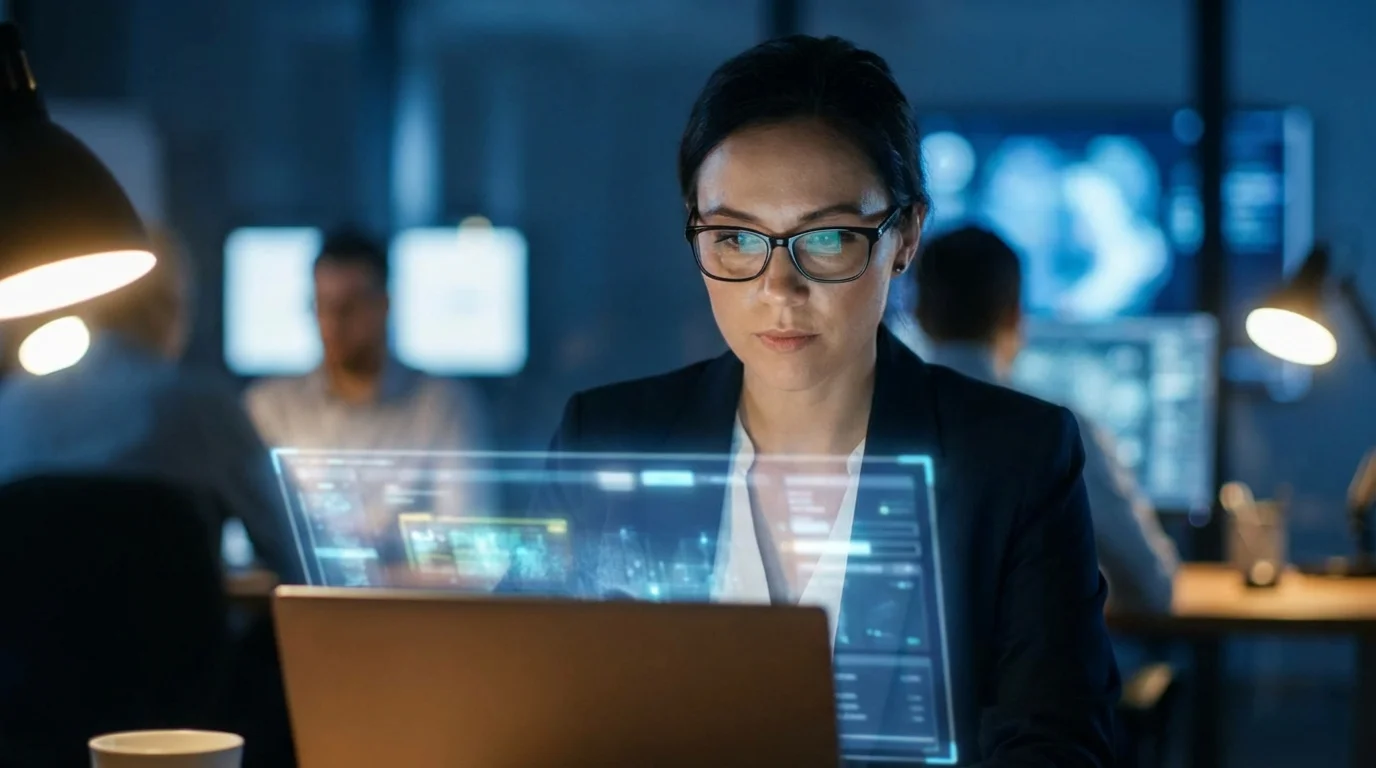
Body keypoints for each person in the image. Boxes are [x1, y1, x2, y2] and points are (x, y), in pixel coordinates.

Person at [535, 35, 1119, 767]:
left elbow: (1057, 743)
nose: (778, 289)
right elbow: (527, 699)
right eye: (736, 239)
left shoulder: (1011, 458)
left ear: (904, 237)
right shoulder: (610, 439)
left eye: (830, 237)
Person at [0, 229, 301, 581]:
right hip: (173, 635)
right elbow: (290, 549)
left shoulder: (12, 406)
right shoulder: (203, 409)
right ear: (171, 308)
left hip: (27, 636)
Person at [913, 225, 1180, 614]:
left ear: (919, 314)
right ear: (1015, 316)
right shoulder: (1055, 432)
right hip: (1039, 673)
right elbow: (1153, 587)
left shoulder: (865, 425)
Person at [245, 227, 487, 454]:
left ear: (383, 305)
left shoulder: (441, 406)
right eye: (324, 305)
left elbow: (465, 497)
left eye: (350, 306)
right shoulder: (272, 407)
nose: (334, 322)